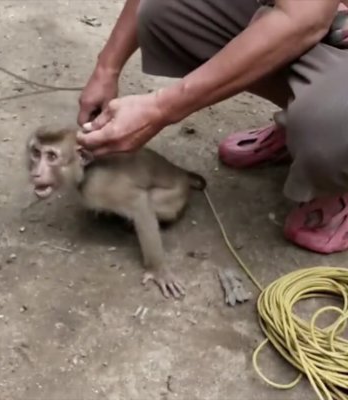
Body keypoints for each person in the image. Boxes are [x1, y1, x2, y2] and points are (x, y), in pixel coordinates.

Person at [76, 0, 348, 254]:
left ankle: (333, 161)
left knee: (325, 129)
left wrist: (159, 109)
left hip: (311, 18)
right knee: (164, 9)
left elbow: (302, 23)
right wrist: (106, 69)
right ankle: (302, 110)